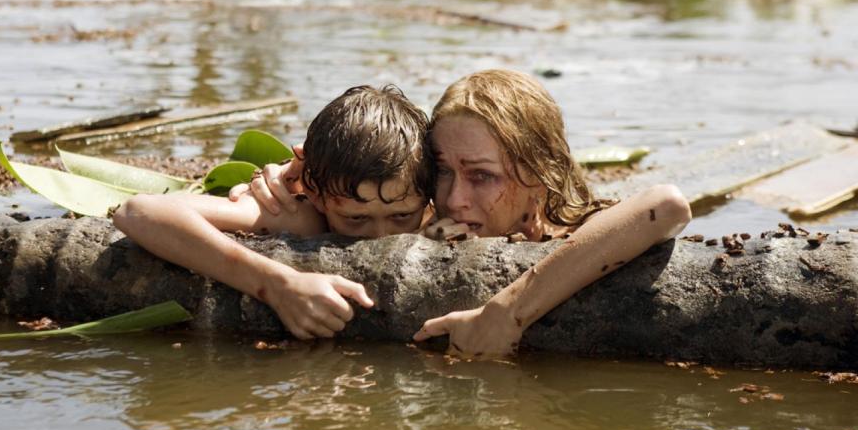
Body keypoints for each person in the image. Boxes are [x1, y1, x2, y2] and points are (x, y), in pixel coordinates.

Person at [235, 69, 691, 358]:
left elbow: (666, 205)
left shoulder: (573, 230)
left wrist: (505, 314)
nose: (454, 199)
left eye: (482, 176)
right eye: (442, 171)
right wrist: (294, 179)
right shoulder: (420, 217)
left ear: (540, 173)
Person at [112, 85, 433, 340]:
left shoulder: (438, 216)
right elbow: (138, 211)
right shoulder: (301, 216)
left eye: (401, 217)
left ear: (427, 199)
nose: (381, 236)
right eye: (356, 218)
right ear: (316, 194)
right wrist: (276, 285)